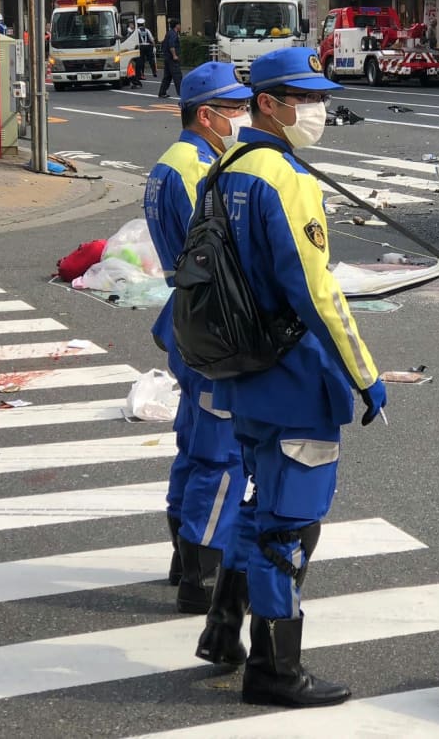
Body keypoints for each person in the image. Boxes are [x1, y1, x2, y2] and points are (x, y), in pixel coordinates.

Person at [210, 46, 385, 708]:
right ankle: (274, 671)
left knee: (258, 508)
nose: (314, 109)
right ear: (269, 104)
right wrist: (365, 374)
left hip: (242, 373)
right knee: (290, 524)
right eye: (302, 98)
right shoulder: (283, 178)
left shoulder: (226, 166)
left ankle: (223, 630)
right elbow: (315, 290)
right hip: (292, 376)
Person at [144, 62, 255, 632]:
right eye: (235, 109)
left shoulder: (172, 165)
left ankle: (185, 558)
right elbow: (218, 255)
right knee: (222, 455)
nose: (243, 117)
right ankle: (203, 578)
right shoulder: (198, 169)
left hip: (185, 322)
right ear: (206, 115)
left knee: (195, 444)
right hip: (213, 324)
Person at [159, 18, 183, 98]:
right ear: (176, 25)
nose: (180, 26)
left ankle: (162, 92)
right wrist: (174, 55)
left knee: (167, 76)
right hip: (172, 59)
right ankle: (181, 93)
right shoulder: (173, 34)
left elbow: (164, 44)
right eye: (179, 24)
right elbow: (171, 45)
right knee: (177, 76)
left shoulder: (169, 33)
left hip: (167, 58)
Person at [134, 17, 156, 87]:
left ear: (137, 24)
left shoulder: (136, 31)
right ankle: (154, 72)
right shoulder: (147, 30)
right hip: (148, 46)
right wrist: (154, 46)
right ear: (143, 24)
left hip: (141, 47)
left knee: (141, 61)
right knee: (151, 59)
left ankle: (140, 74)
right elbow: (151, 39)